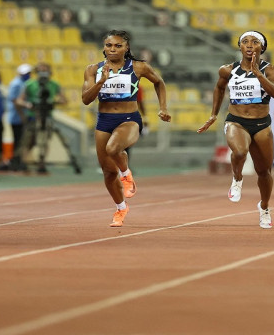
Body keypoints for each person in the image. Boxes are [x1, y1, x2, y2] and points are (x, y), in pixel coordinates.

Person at [81, 30, 171, 227]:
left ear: (126, 48)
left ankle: (126, 174)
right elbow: (86, 99)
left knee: (113, 148)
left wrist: (162, 108)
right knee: (107, 172)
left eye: (118, 46)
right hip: (104, 120)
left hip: (129, 118)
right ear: (104, 48)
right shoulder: (93, 69)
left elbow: (159, 83)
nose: (113, 49)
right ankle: (121, 208)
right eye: (109, 46)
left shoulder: (138, 67)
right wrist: (101, 82)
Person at [197, 30, 274, 229]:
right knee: (240, 151)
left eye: (255, 42)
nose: (250, 45)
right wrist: (213, 114)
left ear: (262, 47)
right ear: (240, 47)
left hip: (262, 124)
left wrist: (258, 74)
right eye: (245, 42)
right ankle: (237, 178)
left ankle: (264, 207)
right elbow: (219, 88)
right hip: (236, 121)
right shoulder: (228, 70)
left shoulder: (271, 71)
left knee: (264, 172)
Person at [15, 62, 68, 173]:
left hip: (47, 115)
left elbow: (64, 100)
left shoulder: (54, 85)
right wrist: (28, 105)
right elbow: (19, 100)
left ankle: (41, 163)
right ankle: (23, 162)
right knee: (28, 140)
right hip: (32, 116)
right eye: (40, 70)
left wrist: (54, 102)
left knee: (44, 140)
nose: (43, 73)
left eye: (45, 70)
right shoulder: (30, 84)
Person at [7, 63, 31, 170]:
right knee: (18, 140)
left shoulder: (24, 83)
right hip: (17, 117)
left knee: (22, 140)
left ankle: (18, 160)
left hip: (20, 116)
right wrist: (22, 116)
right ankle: (15, 161)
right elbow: (15, 101)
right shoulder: (16, 84)